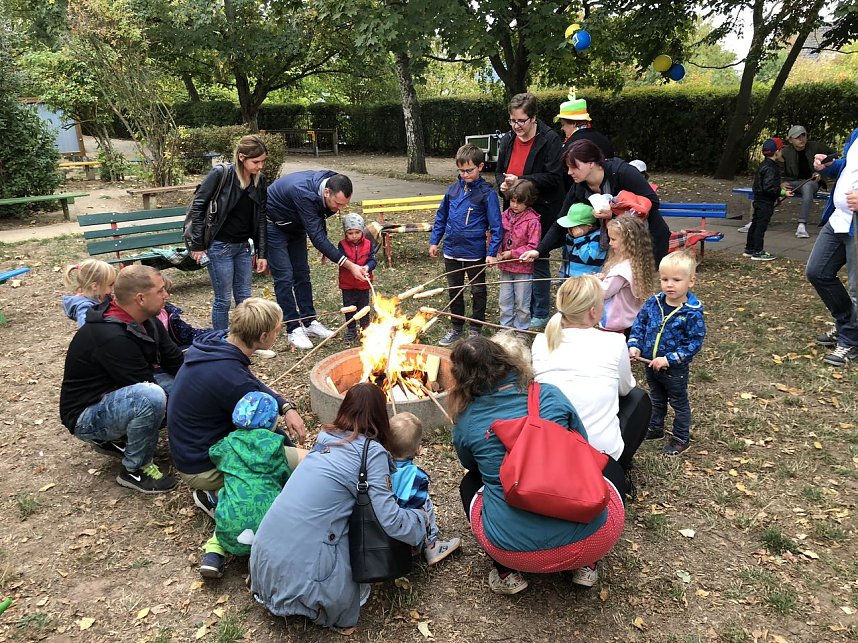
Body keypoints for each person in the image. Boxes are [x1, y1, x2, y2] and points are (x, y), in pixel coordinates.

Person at [450, 335, 625, 594]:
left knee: (470, 483)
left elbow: (469, 464)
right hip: (594, 540)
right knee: (605, 464)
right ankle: (587, 565)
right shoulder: (550, 394)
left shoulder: (467, 419)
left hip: (514, 551)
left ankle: (506, 573)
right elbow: (582, 443)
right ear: (505, 360)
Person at [249, 383, 428, 636]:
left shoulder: (325, 439)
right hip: (298, 583)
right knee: (357, 545)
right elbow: (389, 519)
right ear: (380, 414)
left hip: (262, 563)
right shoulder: (370, 453)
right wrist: (421, 522)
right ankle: (322, 604)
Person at [167, 297, 306, 516]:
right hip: (202, 466)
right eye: (277, 331)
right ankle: (215, 496)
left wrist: (285, 406)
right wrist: (291, 452)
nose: (277, 335)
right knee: (302, 466)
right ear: (263, 336)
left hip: (190, 449)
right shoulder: (230, 378)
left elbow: (250, 382)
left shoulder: (218, 342)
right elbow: (264, 438)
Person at [59, 265, 182, 493]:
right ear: (141, 298)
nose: (167, 295)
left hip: (115, 392)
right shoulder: (111, 336)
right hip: (85, 416)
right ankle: (134, 469)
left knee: (182, 385)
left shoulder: (147, 319)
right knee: (153, 397)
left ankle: (116, 440)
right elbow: (143, 386)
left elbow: (174, 360)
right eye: (161, 290)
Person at [532, 275, 650, 469]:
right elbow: (626, 388)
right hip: (601, 454)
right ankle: (619, 469)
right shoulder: (614, 342)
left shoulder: (541, 342)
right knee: (638, 397)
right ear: (593, 311)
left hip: (551, 450)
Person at [524, 139, 671, 270]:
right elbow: (560, 221)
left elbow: (652, 202)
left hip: (647, 240)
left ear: (591, 163)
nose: (569, 172)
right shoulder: (579, 188)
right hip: (617, 246)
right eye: (568, 167)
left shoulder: (622, 172)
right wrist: (539, 250)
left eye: (574, 167)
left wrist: (613, 212)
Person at [266, 170, 367, 350]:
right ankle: (293, 328)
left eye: (344, 205)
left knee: (302, 273)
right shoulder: (303, 192)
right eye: (337, 204)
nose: (340, 209)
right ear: (326, 192)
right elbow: (316, 237)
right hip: (274, 225)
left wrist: (324, 242)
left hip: (297, 224)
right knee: (285, 276)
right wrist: (350, 265)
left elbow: (318, 214)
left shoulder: (333, 180)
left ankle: (309, 321)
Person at [199, 391, 292, 579]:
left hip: (231, 530)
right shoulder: (276, 448)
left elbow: (213, 453)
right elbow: (285, 477)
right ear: (272, 422)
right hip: (270, 530)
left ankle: (213, 555)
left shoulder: (227, 445)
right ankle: (257, 568)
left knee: (229, 501)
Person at [495, 92, 566, 329]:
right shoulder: (507, 139)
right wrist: (503, 184)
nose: (516, 126)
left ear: (533, 118)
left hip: (541, 209)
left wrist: (522, 180)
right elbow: (499, 171)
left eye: (521, 121)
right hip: (514, 208)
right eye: (512, 121)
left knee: (537, 256)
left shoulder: (550, 140)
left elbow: (554, 177)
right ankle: (516, 306)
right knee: (515, 252)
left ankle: (540, 310)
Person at [184, 135, 270, 330]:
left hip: (243, 247)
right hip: (219, 246)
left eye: (263, 161)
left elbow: (261, 217)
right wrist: (197, 245)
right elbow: (198, 208)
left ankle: (244, 342)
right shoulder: (221, 174)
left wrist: (262, 253)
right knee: (223, 300)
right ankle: (220, 345)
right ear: (241, 157)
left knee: (245, 299)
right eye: (256, 162)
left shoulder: (260, 181)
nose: (260, 166)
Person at [628, 251, 706, 456]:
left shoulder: (691, 312)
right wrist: (635, 345)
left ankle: (681, 438)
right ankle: (655, 427)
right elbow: (640, 324)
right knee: (656, 398)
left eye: (676, 280)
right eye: (664, 279)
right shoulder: (653, 303)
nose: (669, 284)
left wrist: (669, 359)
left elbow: (693, 343)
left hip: (674, 370)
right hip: (649, 363)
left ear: (691, 282)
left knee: (678, 403)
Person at [429, 144, 502, 345]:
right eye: (461, 171)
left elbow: (496, 225)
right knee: (455, 290)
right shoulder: (452, 191)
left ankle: (475, 327)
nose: (465, 174)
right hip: (452, 250)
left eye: (469, 170)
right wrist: (435, 240)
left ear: (480, 166)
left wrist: (492, 251)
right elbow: (441, 217)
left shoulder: (487, 194)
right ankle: (457, 327)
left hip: (475, 252)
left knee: (478, 290)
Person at [806, 127, 858, 367]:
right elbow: (849, 166)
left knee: (856, 289)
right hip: (839, 218)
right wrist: (829, 166)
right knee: (818, 271)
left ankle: (851, 342)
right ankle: (848, 324)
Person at [388, 412, 461, 565]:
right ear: (418, 450)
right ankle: (431, 544)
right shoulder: (419, 477)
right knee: (425, 503)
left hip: (385, 526)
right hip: (405, 528)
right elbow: (416, 507)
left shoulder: (379, 468)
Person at [598, 214, 658, 333]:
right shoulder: (636, 263)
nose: (610, 243)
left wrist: (592, 281)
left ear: (628, 242)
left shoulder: (621, 270)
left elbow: (603, 292)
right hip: (633, 320)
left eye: (613, 239)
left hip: (618, 324)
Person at [496, 179, 541, 331]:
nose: (514, 205)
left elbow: (532, 246)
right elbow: (497, 235)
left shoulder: (533, 221)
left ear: (528, 201)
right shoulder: (503, 216)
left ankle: (522, 330)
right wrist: (496, 251)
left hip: (523, 269)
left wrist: (513, 253)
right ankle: (505, 328)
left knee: (522, 302)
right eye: (512, 201)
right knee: (505, 300)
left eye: (519, 202)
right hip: (506, 268)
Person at [743, 138, 792, 262]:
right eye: (780, 150)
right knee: (761, 226)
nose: (781, 153)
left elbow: (766, 185)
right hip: (765, 202)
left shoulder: (764, 165)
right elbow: (769, 187)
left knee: (755, 223)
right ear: (776, 152)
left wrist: (779, 191)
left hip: (759, 199)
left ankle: (749, 248)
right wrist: (782, 192)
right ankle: (758, 251)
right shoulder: (771, 168)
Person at [782, 125, 834, 239]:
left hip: (811, 182)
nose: (801, 139)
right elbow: (775, 169)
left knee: (808, 186)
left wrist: (821, 172)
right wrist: (780, 183)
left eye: (803, 136)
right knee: (769, 187)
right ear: (790, 140)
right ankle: (756, 220)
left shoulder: (816, 147)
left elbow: (833, 158)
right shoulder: (785, 152)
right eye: (797, 137)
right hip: (792, 182)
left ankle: (801, 224)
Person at [338, 213, 376, 344]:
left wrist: (367, 267)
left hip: (363, 284)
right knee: (349, 308)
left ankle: (365, 329)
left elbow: (372, 260)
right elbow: (341, 261)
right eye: (350, 233)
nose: (354, 236)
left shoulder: (369, 244)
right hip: (347, 284)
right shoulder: (342, 245)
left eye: (357, 232)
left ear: (362, 231)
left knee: (364, 307)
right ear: (345, 233)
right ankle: (351, 330)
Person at [555, 93, 615, 160]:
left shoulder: (573, 144)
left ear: (574, 123)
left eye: (563, 124)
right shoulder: (602, 138)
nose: (562, 128)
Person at [556, 202, 606, 278]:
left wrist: (579, 238)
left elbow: (587, 258)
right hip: (572, 277)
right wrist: (571, 237)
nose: (570, 229)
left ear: (589, 226)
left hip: (586, 282)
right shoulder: (578, 237)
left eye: (574, 227)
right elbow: (569, 252)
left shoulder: (598, 237)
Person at [62, 259, 117, 327]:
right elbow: (89, 328)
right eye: (110, 284)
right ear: (95, 286)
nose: (113, 287)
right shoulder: (84, 308)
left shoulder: (101, 297)